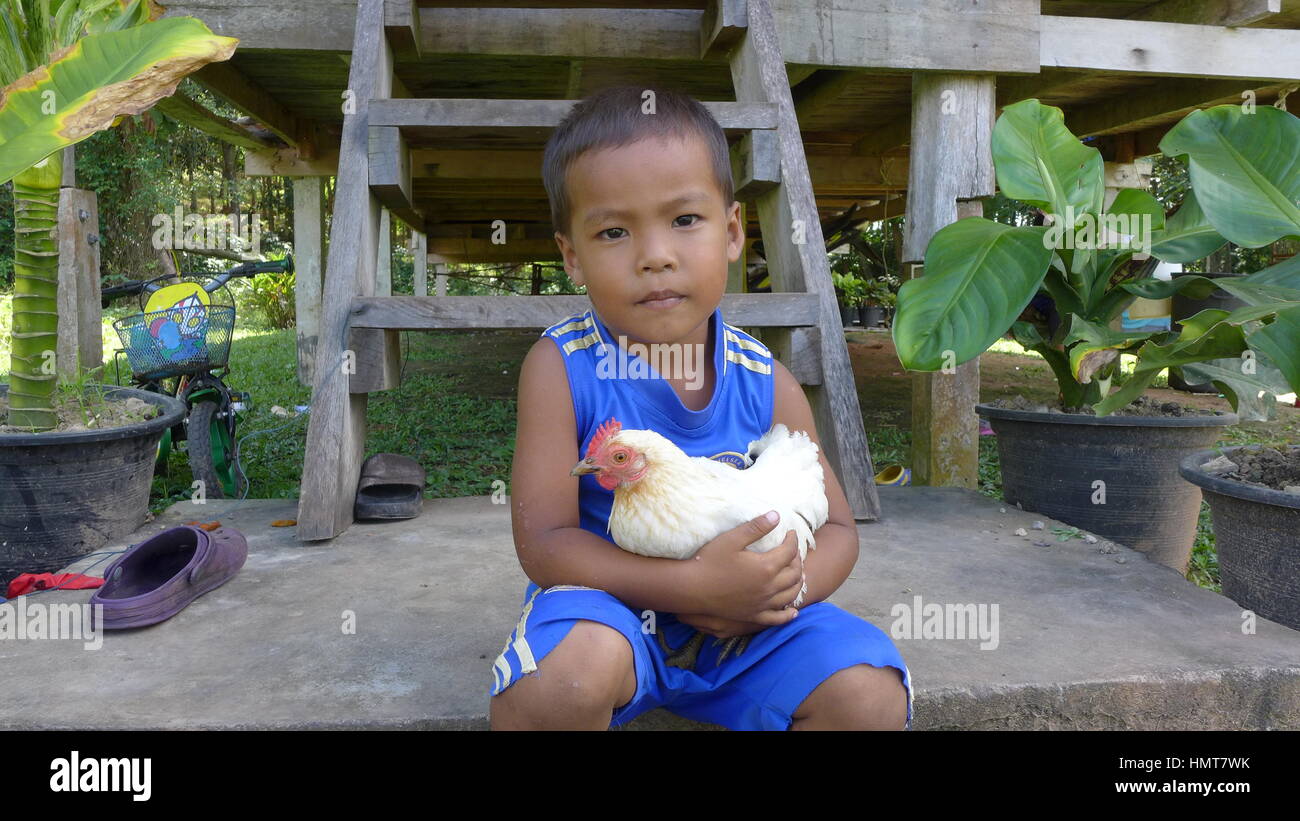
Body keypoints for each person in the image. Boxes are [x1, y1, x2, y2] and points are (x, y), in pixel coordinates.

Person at [490, 85, 912, 730]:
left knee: (868, 694)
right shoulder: (561, 367)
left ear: (734, 230)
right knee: (561, 683)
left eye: (684, 220)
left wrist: (779, 591)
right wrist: (691, 589)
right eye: (613, 231)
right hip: (614, 612)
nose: (654, 255)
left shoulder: (768, 381)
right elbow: (546, 543)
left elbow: (838, 532)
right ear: (572, 256)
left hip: (755, 627)